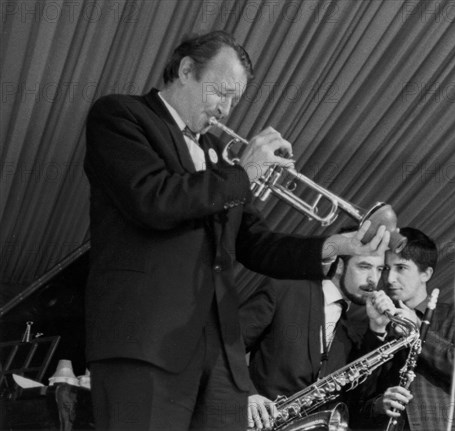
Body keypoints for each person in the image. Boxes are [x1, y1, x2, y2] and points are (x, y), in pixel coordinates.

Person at [84, 31, 390, 431]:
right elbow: (153, 200)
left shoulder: (215, 153)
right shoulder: (121, 116)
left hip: (220, 357)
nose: (226, 110)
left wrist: (337, 244)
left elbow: (253, 242)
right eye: (221, 92)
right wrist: (243, 172)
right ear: (187, 70)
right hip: (146, 342)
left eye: (234, 100)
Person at [349, 227, 455, 431]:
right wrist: (379, 404)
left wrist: (418, 331)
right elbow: (356, 403)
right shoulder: (378, 322)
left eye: (401, 268)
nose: (390, 279)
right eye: (386, 269)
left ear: (426, 274)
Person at [239, 247, 389, 429]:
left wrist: (378, 327)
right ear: (340, 265)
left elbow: (358, 397)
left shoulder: (352, 333)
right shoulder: (285, 288)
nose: (373, 279)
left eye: (379, 269)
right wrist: (247, 394)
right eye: (364, 266)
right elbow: (225, 346)